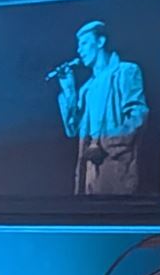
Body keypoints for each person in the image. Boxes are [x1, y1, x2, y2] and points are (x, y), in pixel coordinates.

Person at [54, 20, 149, 196]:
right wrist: (69, 91)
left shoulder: (125, 72)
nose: (79, 50)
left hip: (116, 168)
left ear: (100, 42)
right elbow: (72, 129)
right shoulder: (86, 89)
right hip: (90, 174)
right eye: (78, 45)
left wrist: (104, 144)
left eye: (84, 43)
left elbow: (138, 116)